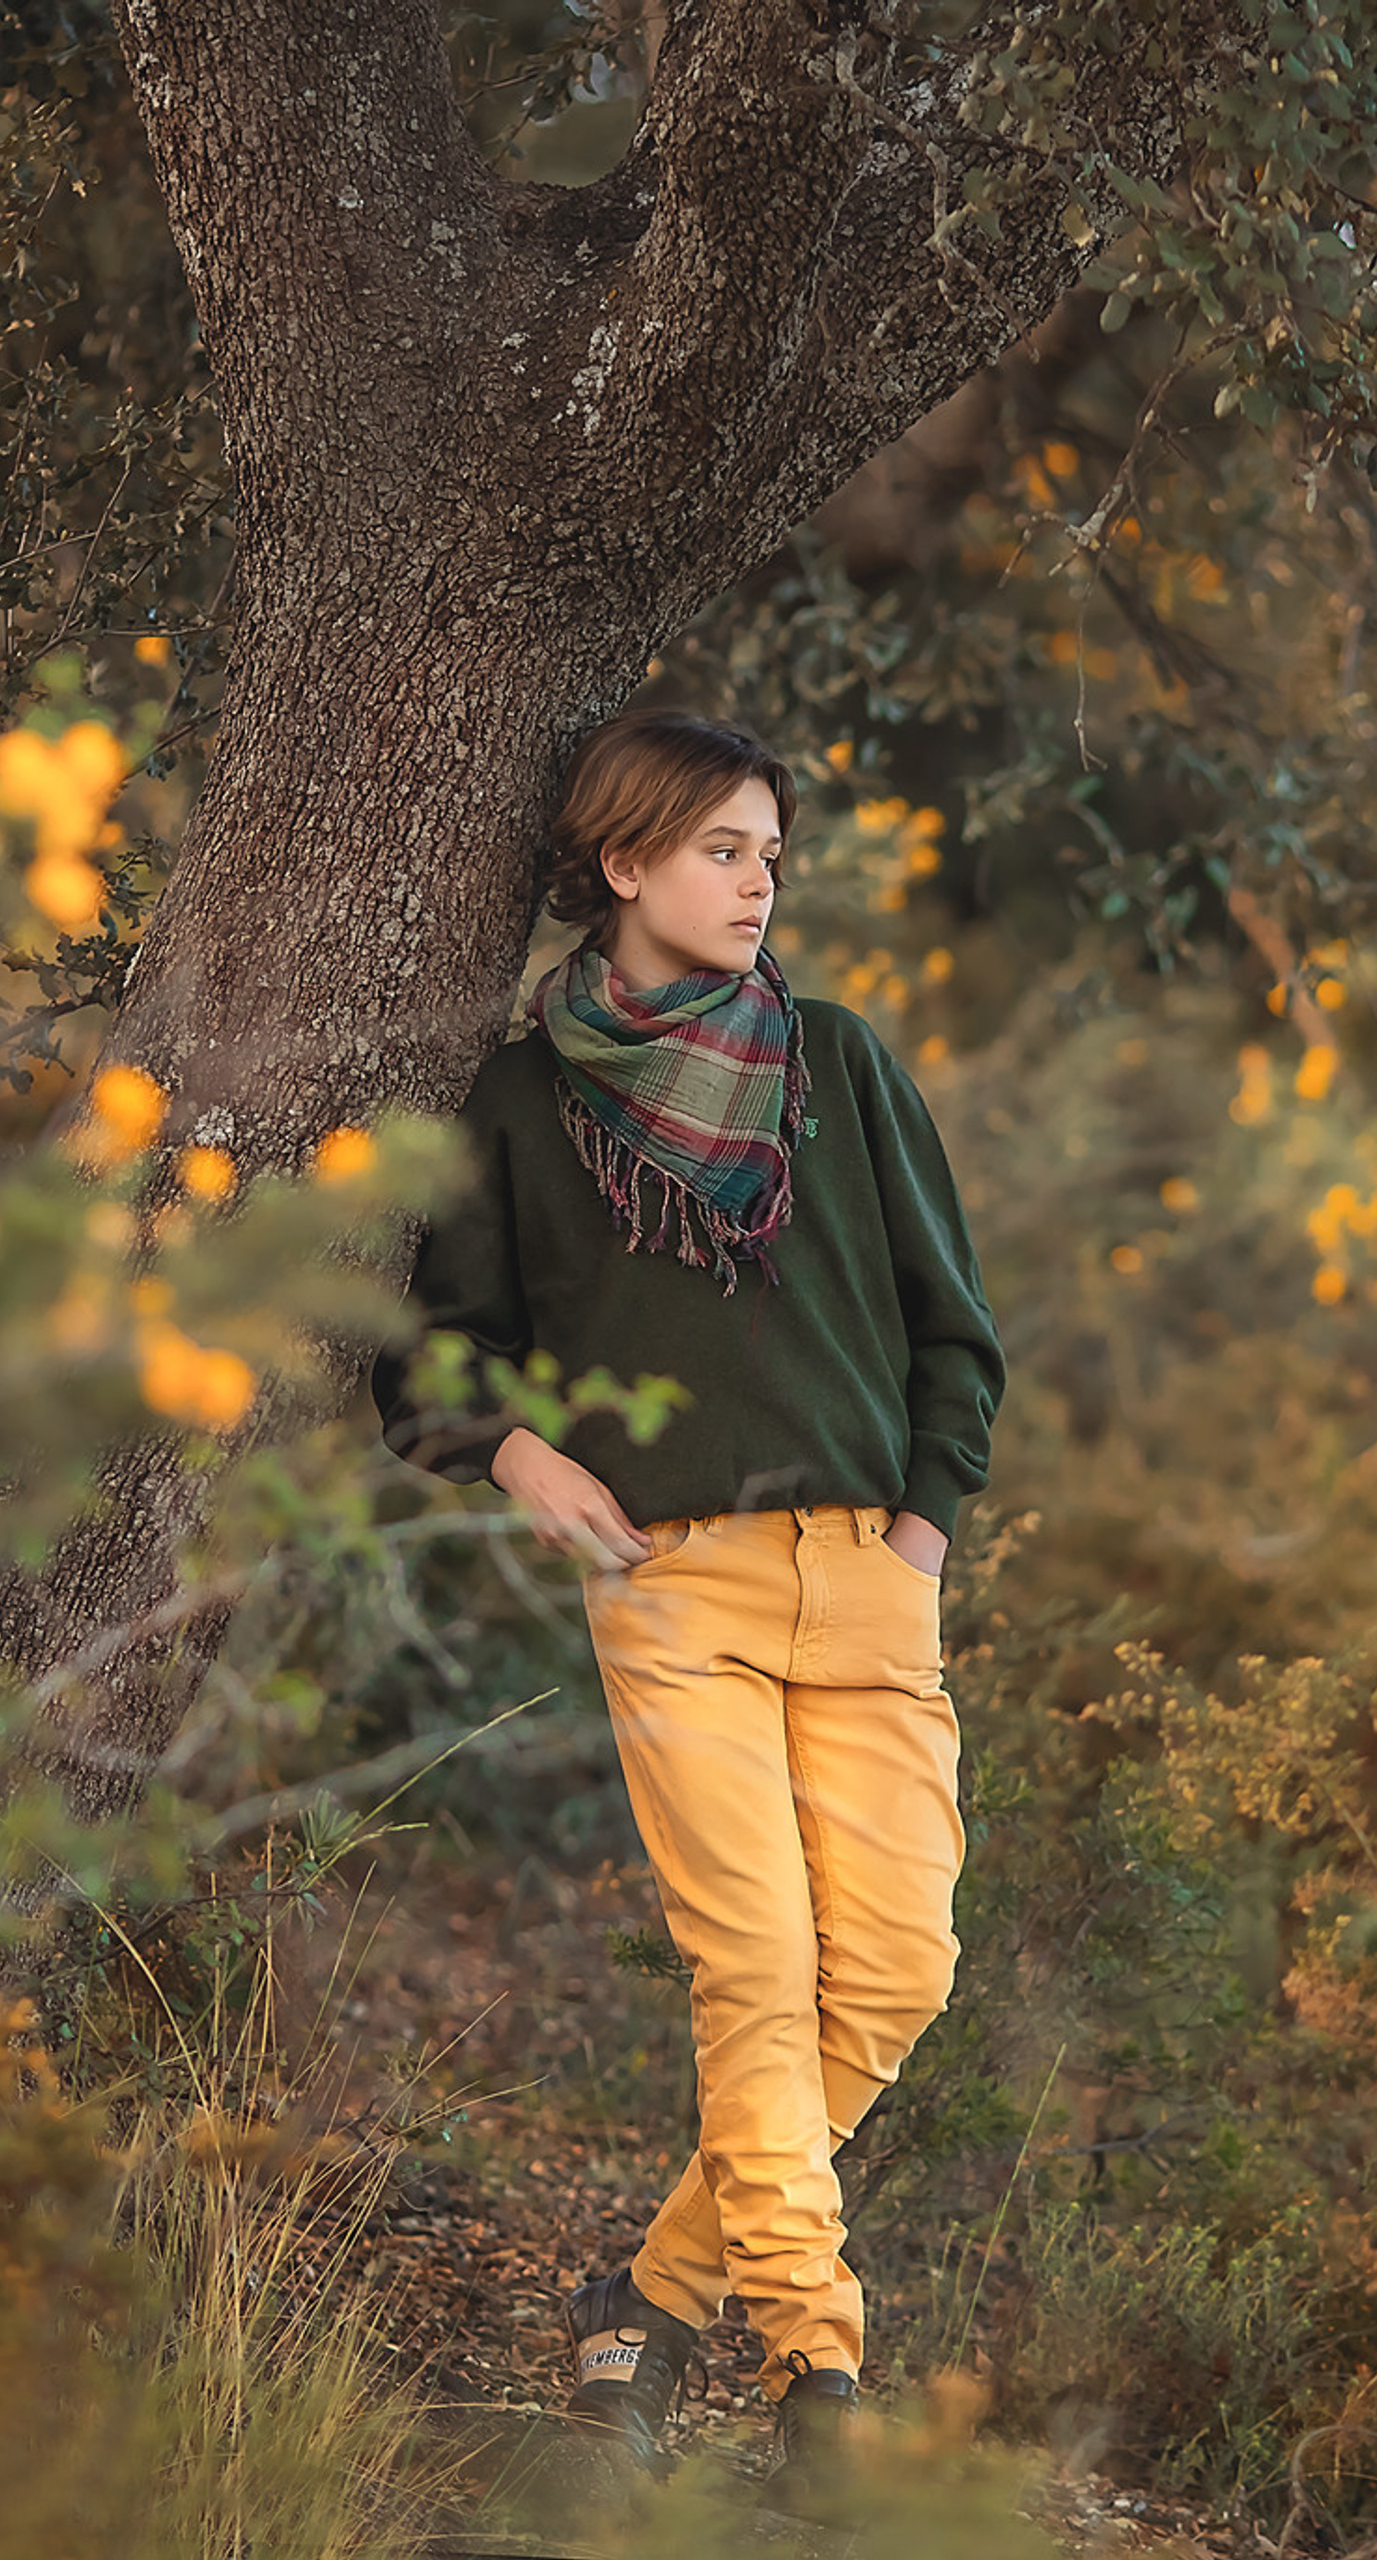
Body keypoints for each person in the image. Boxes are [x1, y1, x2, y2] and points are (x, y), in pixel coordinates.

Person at [370, 709, 1004, 2515]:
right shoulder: (521, 1100)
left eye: (772, 857)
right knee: (756, 1966)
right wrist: (523, 1461)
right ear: (627, 863)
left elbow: (955, 1328)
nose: (757, 884)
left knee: (896, 1968)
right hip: (678, 1590)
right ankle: (821, 2374)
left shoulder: (840, 1063)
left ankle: (645, 2307)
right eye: (725, 850)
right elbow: (433, 1353)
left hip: (869, 1582)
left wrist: (923, 1536)